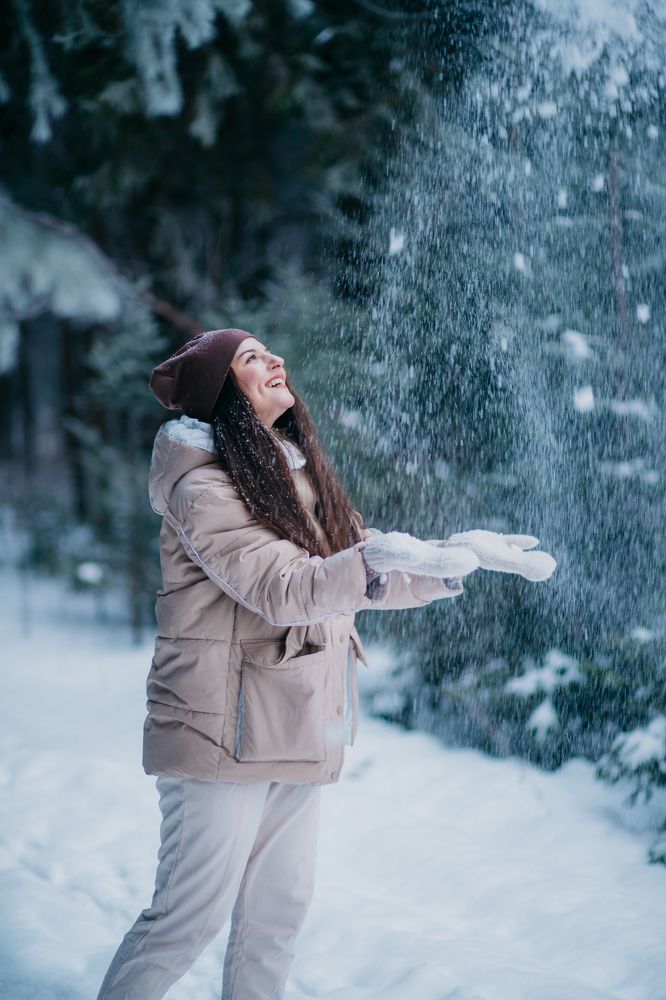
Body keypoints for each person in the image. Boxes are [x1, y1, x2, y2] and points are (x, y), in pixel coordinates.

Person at [96, 328, 555, 1000]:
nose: (274, 360)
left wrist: (454, 557)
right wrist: (371, 559)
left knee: (276, 917)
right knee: (186, 921)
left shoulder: (289, 473)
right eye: (250, 358)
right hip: (219, 729)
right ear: (220, 393)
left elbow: (358, 574)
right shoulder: (203, 488)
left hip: (295, 717)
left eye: (268, 350)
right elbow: (286, 588)